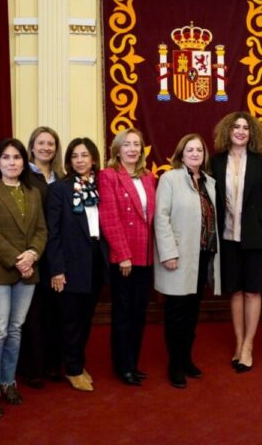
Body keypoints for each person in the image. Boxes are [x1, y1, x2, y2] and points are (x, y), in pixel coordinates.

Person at [0, 138, 47, 418]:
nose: (12, 162)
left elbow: (41, 230)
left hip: (27, 269)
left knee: (15, 329)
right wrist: (19, 260)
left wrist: (32, 255)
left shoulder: (33, 192)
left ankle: (7, 382)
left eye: (17, 157)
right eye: (6, 157)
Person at [210, 111, 262, 373]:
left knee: (253, 290)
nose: (241, 131)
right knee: (236, 291)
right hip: (227, 237)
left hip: (257, 236)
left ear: (252, 133)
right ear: (227, 131)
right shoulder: (215, 162)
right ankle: (238, 342)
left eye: (245, 128)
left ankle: (249, 345)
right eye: (236, 127)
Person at [154, 134, 221, 388]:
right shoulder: (170, 179)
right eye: (190, 150)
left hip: (203, 255)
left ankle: (186, 358)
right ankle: (175, 364)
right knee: (176, 313)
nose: (195, 154)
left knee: (192, 312)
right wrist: (169, 252)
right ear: (181, 154)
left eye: (199, 150)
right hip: (178, 256)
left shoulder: (210, 183)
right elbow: (161, 218)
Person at [45, 137, 109, 392]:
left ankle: (77, 363)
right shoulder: (60, 189)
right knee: (70, 320)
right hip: (70, 264)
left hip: (96, 260)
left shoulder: (103, 185)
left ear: (93, 158)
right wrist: (57, 269)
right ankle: (72, 368)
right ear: (69, 161)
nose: (80, 160)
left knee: (86, 317)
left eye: (85, 155)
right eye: (75, 156)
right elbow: (53, 233)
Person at [98, 127, 156, 386]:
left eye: (137, 144)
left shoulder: (148, 177)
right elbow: (109, 218)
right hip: (124, 257)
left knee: (140, 312)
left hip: (145, 255)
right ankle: (123, 366)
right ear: (117, 150)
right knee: (123, 312)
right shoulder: (108, 176)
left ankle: (133, 362)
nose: (133, 148)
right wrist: (122, 255)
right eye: (127, 144)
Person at [18, 126, 64, 389]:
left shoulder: (62, 177)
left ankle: (51, 365)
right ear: (32, 147)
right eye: (41, 143)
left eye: (51, 144)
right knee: (31, 314)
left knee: (54, 313)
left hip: (55, 255)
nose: (46, 147)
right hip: (31, 253)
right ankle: (31, 368)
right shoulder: (23, 176)